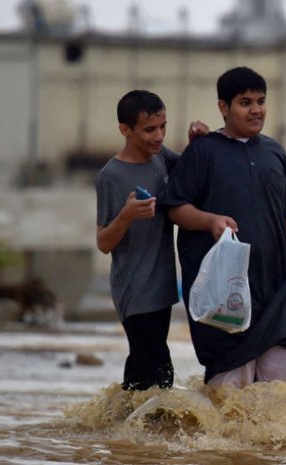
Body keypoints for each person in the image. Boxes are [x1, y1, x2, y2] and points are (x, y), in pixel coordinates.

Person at [165, 66, 286, 388]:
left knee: (280, 395)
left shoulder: (275, 152)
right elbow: (175, 208)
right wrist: (210, 221)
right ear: (224, 108)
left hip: (275, 289)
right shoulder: (203, 151)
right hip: (224, 292)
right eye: (245, 102)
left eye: (261, 101)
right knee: (228, 396)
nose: (256, 110)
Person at [95, 90, 208, 391]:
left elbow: (191, 173)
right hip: (134, 291)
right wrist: (126, 215)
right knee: (160, 376)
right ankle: (151, 433)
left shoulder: (162, 159)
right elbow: (104, 243)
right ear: (125, 130)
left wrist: (197, 143)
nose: (158, 136)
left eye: (163, 127)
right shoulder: (111, 176)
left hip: (162, 289)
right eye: (149, 130)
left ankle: (118, 433)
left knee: (140, 375)